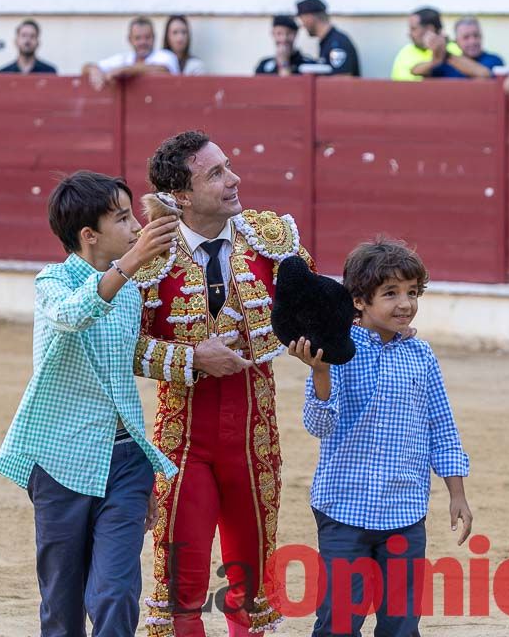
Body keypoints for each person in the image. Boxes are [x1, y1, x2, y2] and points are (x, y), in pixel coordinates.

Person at [135, 130, 315, 637]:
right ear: (181, 196)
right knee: (181, 589)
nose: (234, 179)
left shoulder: (270, 238)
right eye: (215, 173)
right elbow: (121, 348)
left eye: (228, 165)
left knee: (252, 585)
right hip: (183, 441)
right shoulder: (149, 254)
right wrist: (192, 357)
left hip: (255, 440)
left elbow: (322, 310)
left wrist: (379, 322)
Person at [0, 170, 179, 637]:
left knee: (116, 592)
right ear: (89, 236)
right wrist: (132, 262)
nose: (136, 227)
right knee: (62, 602)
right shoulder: (50, 283)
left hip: (123, 462)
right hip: (61, 459)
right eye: (123, 218)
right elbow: (73, 316)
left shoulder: (132, 293)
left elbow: (123, 372)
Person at [289, 238, 472, 637]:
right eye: (390, 293)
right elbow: (319, 425)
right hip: (344, 509)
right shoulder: (337, 351)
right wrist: (320, 373)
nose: (404, 304)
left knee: (402, 624)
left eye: (412, 293)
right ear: (359, 301)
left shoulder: (421, 355)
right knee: (339, 621)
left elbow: (441, 426)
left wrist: (457, 493)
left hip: (405, 511)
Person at [391, 7, 492, 82]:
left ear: (429, 29)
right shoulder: (406, 51)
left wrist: (442, 52)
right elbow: (416, 73)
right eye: (466, 37)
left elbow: (482, 72)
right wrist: (435, 59)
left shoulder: (454, 48)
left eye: (413, 29)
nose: (472, 42)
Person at [83, 17, 179, 91]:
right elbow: (86, 67)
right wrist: (94, 70)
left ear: (154, 37)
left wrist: (126, 70)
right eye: (138, 38)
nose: (143, 42)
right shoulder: (123, 59)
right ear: (130, 39)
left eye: (147, 37)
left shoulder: (166, 56)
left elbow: (163, 70)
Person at [296, 0, 361, 77]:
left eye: (302, 19)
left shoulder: (337, 43)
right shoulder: (328, 42)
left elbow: (343, 80)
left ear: (310, 17)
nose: (302, 25)